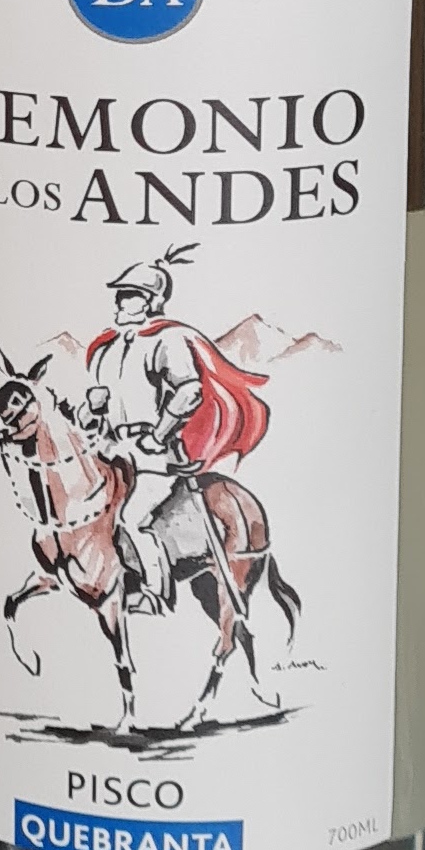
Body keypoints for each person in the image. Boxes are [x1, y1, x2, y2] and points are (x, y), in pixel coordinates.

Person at [81, 246, 270, 611]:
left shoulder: (167, 341)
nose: (120, 301)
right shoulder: (106, 350)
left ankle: (155, 592)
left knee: (132, 518)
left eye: (130, 294)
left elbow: (189, 390)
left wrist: (158, 434)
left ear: (151, 301)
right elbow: (96, 405)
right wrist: (90, 410)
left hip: (151, 455)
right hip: (109, 450)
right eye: (120, 294)